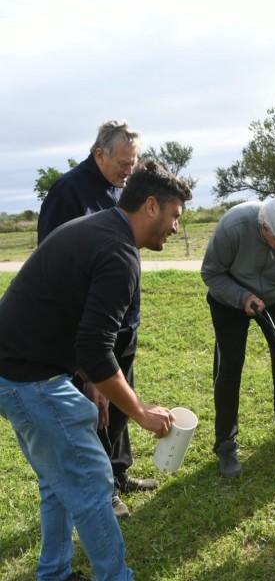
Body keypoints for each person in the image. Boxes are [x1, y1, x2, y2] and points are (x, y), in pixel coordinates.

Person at [0, 161, 191, 581]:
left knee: (58, 479)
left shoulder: (100, 226)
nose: (176, 229)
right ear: (152, 206)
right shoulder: (119, 254)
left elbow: (76, 317)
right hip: (29, 378)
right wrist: (140, 411)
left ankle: (54, 573)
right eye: (175, 216)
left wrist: (91, 381)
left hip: (17, 369)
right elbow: (95, 344)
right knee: (90, 483)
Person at [37, 119, 152, 519]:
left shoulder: (124, 188)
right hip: (88, 322)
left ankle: (120, 473)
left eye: (133, 163)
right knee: (94, 407)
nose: (129, 171)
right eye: (123, 162)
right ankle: (103, 488)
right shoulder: (67, 192)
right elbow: (54, 264)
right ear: (99, 154)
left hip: (123, 317)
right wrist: (84, 362)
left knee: (120, 400)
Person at [201, 195, 275, 478]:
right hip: (228, 298)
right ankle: (226, 443)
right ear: (264, 228)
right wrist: (242, 296)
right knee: (230, 365)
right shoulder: (234, 226)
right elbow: (210, 273)